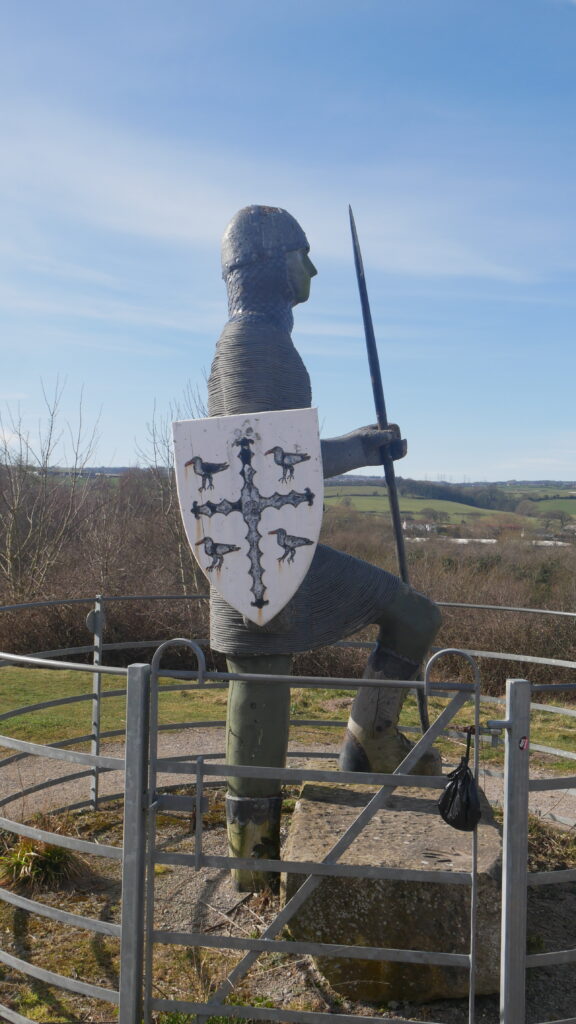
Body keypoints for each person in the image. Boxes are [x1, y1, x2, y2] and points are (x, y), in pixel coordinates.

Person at [207, 206, 441, 887]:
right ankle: (258, 867)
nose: (310, 267)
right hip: (262, 562)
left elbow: (277, 453)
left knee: (405, 619)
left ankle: (358, 756)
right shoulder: (255, 340)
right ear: (271, 263)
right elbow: (268, 459)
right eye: (300, 253)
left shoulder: (256, 338)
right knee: (408, 618)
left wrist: (360, 444)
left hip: (263, 556)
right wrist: (364, 449)